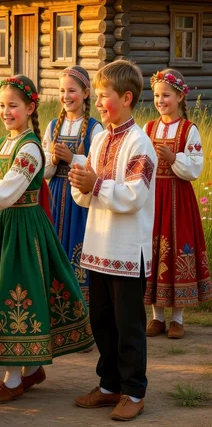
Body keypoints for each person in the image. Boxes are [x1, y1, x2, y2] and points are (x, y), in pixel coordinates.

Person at [0, 75, 94, 404]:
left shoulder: (30, 148)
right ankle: (31, 371)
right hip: (3, 226)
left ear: (30, 108)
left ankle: (13, 379)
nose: (6, 111)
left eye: (13, 105)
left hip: (24, 229)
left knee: (17, 291)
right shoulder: (3, 144)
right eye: (2, 105)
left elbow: (9, 188)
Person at [70, 60, 156, 421]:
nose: (100, 102)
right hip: (98, 246)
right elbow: (87, 193)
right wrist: (82, 185)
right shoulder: (101, 137)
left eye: (105, 96)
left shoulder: (141, 143)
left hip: (125, 249)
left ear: (126, 97)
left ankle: (133, 390)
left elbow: (135, 195)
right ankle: (109, 386)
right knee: (102, 320)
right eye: (99, 96)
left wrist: (96, 185)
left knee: (128, 325)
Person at [143, 69, 210, 339]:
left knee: (177, 250)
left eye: (166, 95)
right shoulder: (148, 128)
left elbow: (194, 169)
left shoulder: (189, 130)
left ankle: (178, 319)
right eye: (157, 95)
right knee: (154, 251)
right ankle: (157, 317)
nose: (160, 100)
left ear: (180, 96)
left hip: (178, 199)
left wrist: (173, 158)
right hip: (152, 199)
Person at [42, 66, 102, 307]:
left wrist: (72, 159)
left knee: (79, 250)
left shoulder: (96, 129)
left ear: (86, 93)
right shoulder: (52, 126)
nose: (66, 96)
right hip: (56, 196)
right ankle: (57, 312)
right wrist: (54, 160)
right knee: (55, 251)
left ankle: (83, 312)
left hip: (82, 202)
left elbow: (99, 169)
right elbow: (44, 171)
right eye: (62, 90)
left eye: (72, 90)